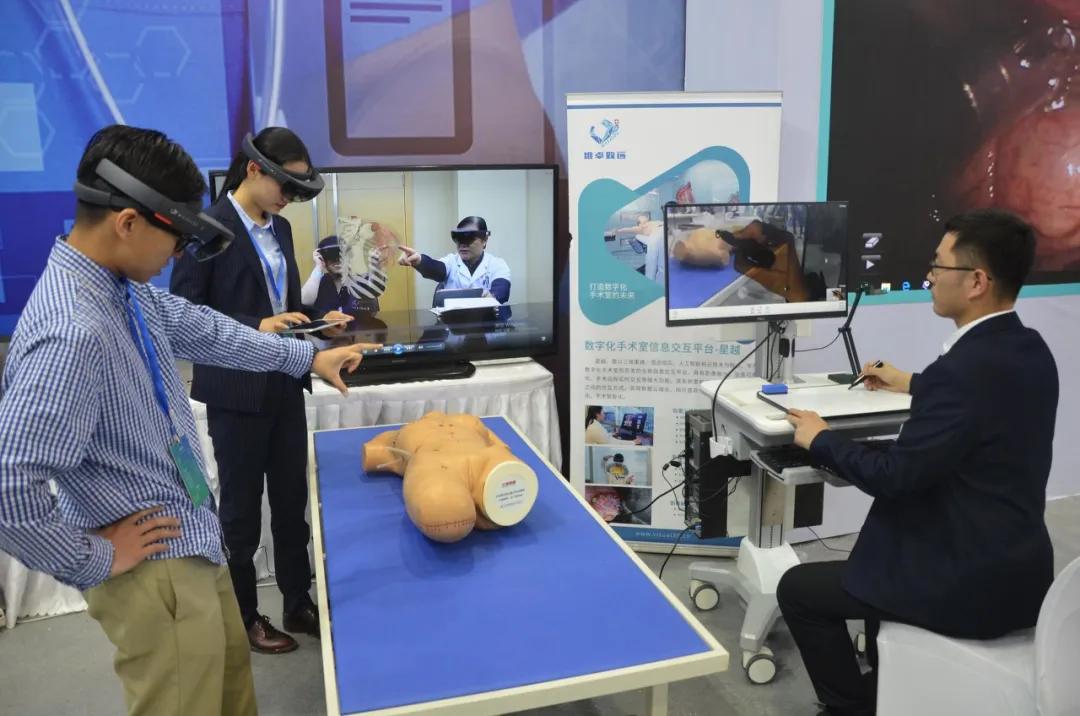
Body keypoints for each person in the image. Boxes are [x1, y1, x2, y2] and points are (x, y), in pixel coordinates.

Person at [0, 125, 374, 715]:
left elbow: (205, 329)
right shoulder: (72, 331)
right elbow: (9, 487)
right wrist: (94, 559)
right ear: (128, 222)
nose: (178, 255)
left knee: (228, 695)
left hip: (192, 541)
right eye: (175, 237)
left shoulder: (121, 288)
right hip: (155, 570)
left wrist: (306, 356)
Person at [778, 209, 1058, 716]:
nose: (929, 276)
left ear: (976, 282)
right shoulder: (1029, 349)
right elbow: (979, 406)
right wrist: (910, 382)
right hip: (1020, 567)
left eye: (938, 266)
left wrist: (821, 439)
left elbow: (896, 479)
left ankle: (850, 708)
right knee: (874, 542)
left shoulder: (962, 372)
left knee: (798, 590)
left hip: (964, 582)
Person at [170, 127, 350, 655]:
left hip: (284, 384)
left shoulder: (282, 229)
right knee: (241, 513)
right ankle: (245, 616)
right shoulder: (207, 230)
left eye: (297, 190)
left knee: (292, 504)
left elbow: (284, 306)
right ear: (253, 169)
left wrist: (319, 320)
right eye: (285, 185)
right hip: (235, 394)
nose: (289, 197)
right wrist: (256, 326)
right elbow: (184, 316)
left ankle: (297, 600)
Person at [397, 216, 512, 303]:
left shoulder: (497, 264)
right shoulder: (451, 261)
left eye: (469, 238)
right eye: (458, 238)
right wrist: (419, 261)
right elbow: (436, 268)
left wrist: (492, 297)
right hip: (453, 325)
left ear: (485, 240)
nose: (462, 244)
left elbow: (502, 289)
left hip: (487, 324)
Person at [301, 235, 382, 316]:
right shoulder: (318, 283)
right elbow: (304, 302)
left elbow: (372, 313)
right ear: (322, 258)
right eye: (331, 255)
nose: (337, 260)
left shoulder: (361, 282)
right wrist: (318, 267)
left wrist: (375, 267)